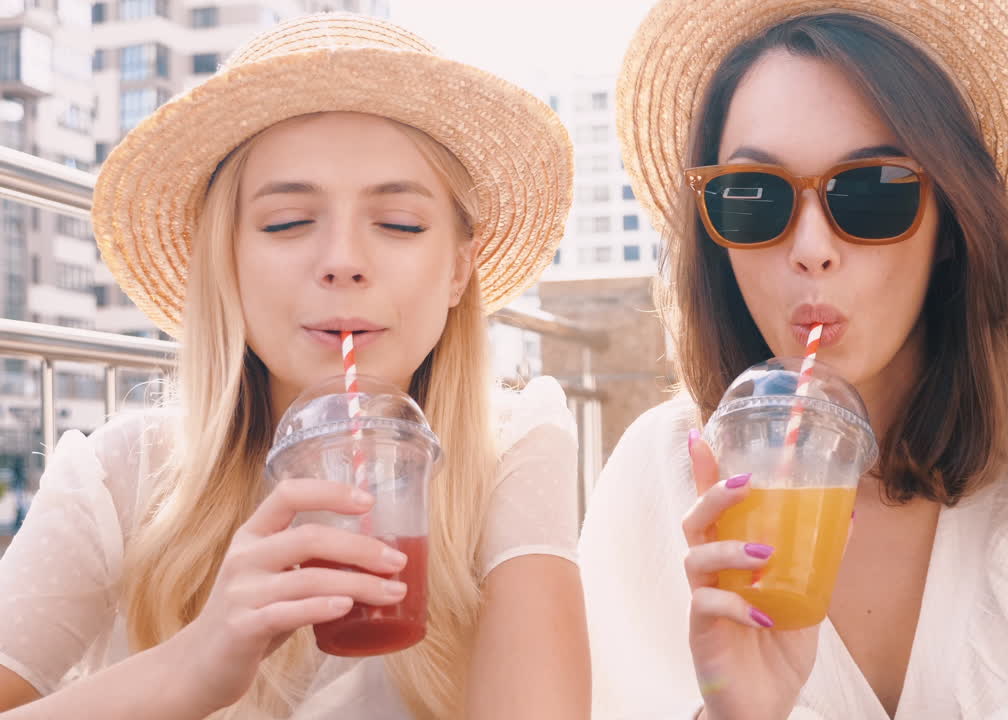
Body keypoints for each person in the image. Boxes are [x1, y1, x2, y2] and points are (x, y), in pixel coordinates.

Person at [579, 1, 1008, 718]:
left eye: (874, 193)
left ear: (950, 223)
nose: (811, 247)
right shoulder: (660, 478)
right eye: (754, 199)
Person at [0, 13, 588, 720]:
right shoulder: (118, 478)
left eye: (399, 223)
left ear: (460, 269)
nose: (343, 261)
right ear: (228, 260)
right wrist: (188, 667)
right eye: (286, 223)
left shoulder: (515, 449)